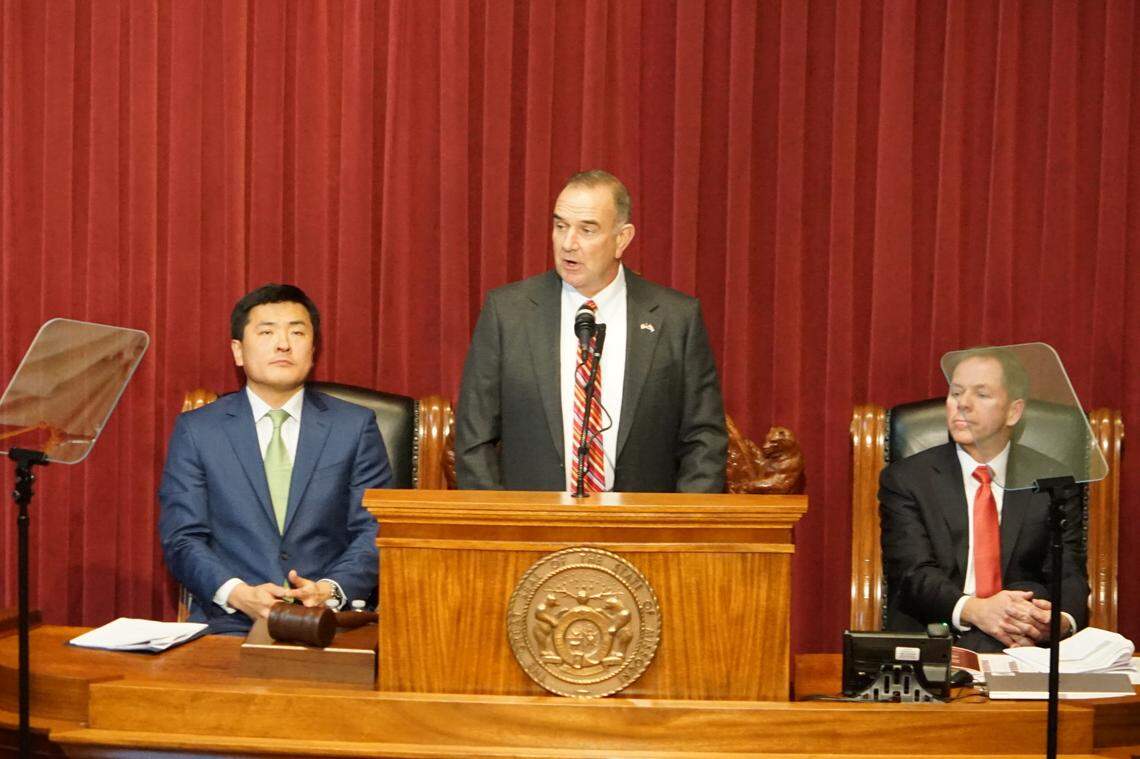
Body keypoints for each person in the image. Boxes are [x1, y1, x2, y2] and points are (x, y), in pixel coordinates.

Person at [455, 169, 727, 493]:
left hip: (641, 521)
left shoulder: (676, 318)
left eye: (587, 230)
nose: (568, 244)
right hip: (535, 520)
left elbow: (704, 440)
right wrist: (501, 519)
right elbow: (474, 438)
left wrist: (682, 521)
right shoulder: (508, 313)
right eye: (561, 226)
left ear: (622, 239)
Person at [159, 284, 390, 634]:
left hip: (330, 623)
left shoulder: (354, 427)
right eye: (267, 332)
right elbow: (182, 537)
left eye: (297, 332)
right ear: (238, 351)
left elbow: (375, 529)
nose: (283, 344)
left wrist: (330, 590)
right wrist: (238, 594)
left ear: (313, 349)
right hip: (230, 622)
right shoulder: (198, 430)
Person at [879, 347, 1088, 652]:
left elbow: (1068, 570)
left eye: (982, 394)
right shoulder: (907, 479)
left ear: (1013, 412)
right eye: (956, 393)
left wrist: (1058, 622)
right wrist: (978, 610)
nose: (962, 404)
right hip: (937, 636)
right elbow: (912, 574)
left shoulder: (1053, 480)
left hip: (1026, 644)